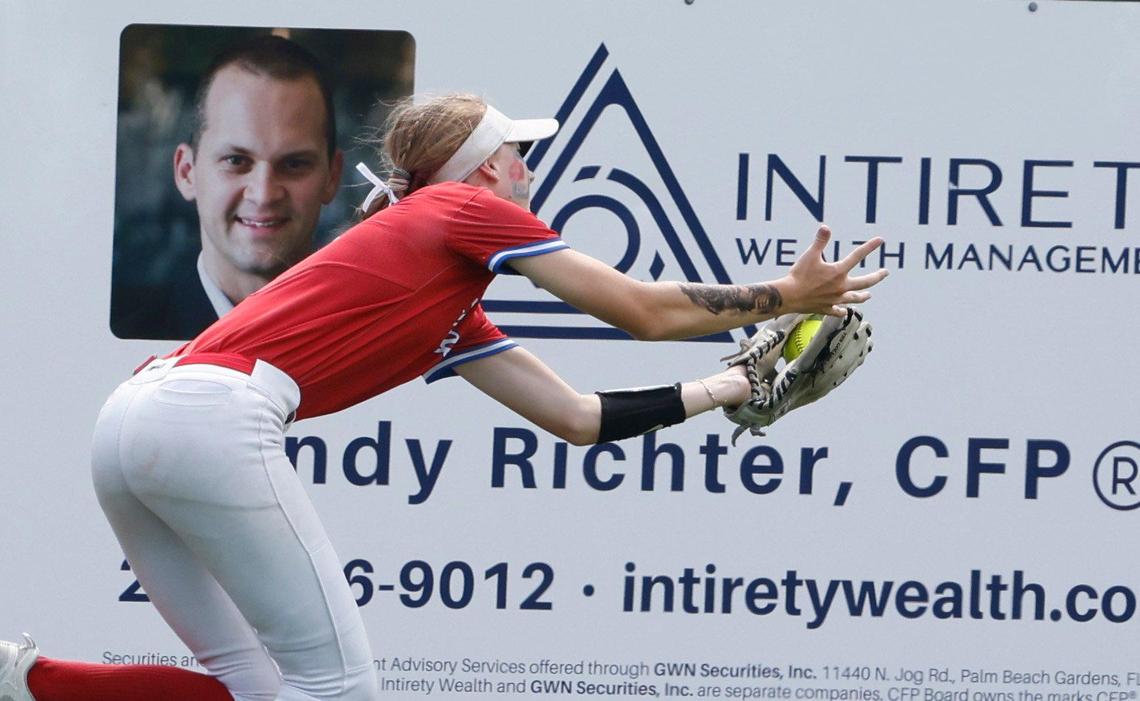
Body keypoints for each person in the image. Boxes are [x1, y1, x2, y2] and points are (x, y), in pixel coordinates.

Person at [0, 93, 887, 701]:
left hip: (133, 421)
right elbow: (639, 309)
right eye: (519, 154)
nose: (528, 169)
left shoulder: (440, 289)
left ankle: (24, 677)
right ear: (482, 169)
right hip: (205, 418)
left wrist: (727, 385)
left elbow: (574, 417)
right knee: (343, 691)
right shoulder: (462, 211)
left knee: (254, 687)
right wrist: (785, 294)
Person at [111, 34, 343, 340]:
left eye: (294, 164)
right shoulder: (120, 342)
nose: (263, 194)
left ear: (332, 176)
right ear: (186, 172)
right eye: (236, 160)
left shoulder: (376, 345)